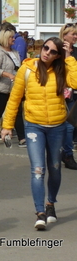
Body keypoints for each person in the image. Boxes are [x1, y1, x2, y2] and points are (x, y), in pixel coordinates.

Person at [1, 37, 77, 230]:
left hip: (57, 126)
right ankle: (40, 212)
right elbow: (14, 99)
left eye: (52, 52)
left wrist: (69, 57)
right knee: (37, 170)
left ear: (57, 55)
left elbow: (75, 82)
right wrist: (7, 125)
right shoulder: (27, 70)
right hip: (34, 126)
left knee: (55, 168)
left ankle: (50, 204)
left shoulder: (63, 70)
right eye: (45, 48)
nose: (47, 53)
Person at [58, 23, 77, 170]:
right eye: (73, 34)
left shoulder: (75, 52)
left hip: (73, 94)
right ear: (64, 35)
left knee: (69, 126)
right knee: (58, 126)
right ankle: (60, 153)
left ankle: (68, 154)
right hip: (58, 93)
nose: (76, 37)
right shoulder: (56, 50)